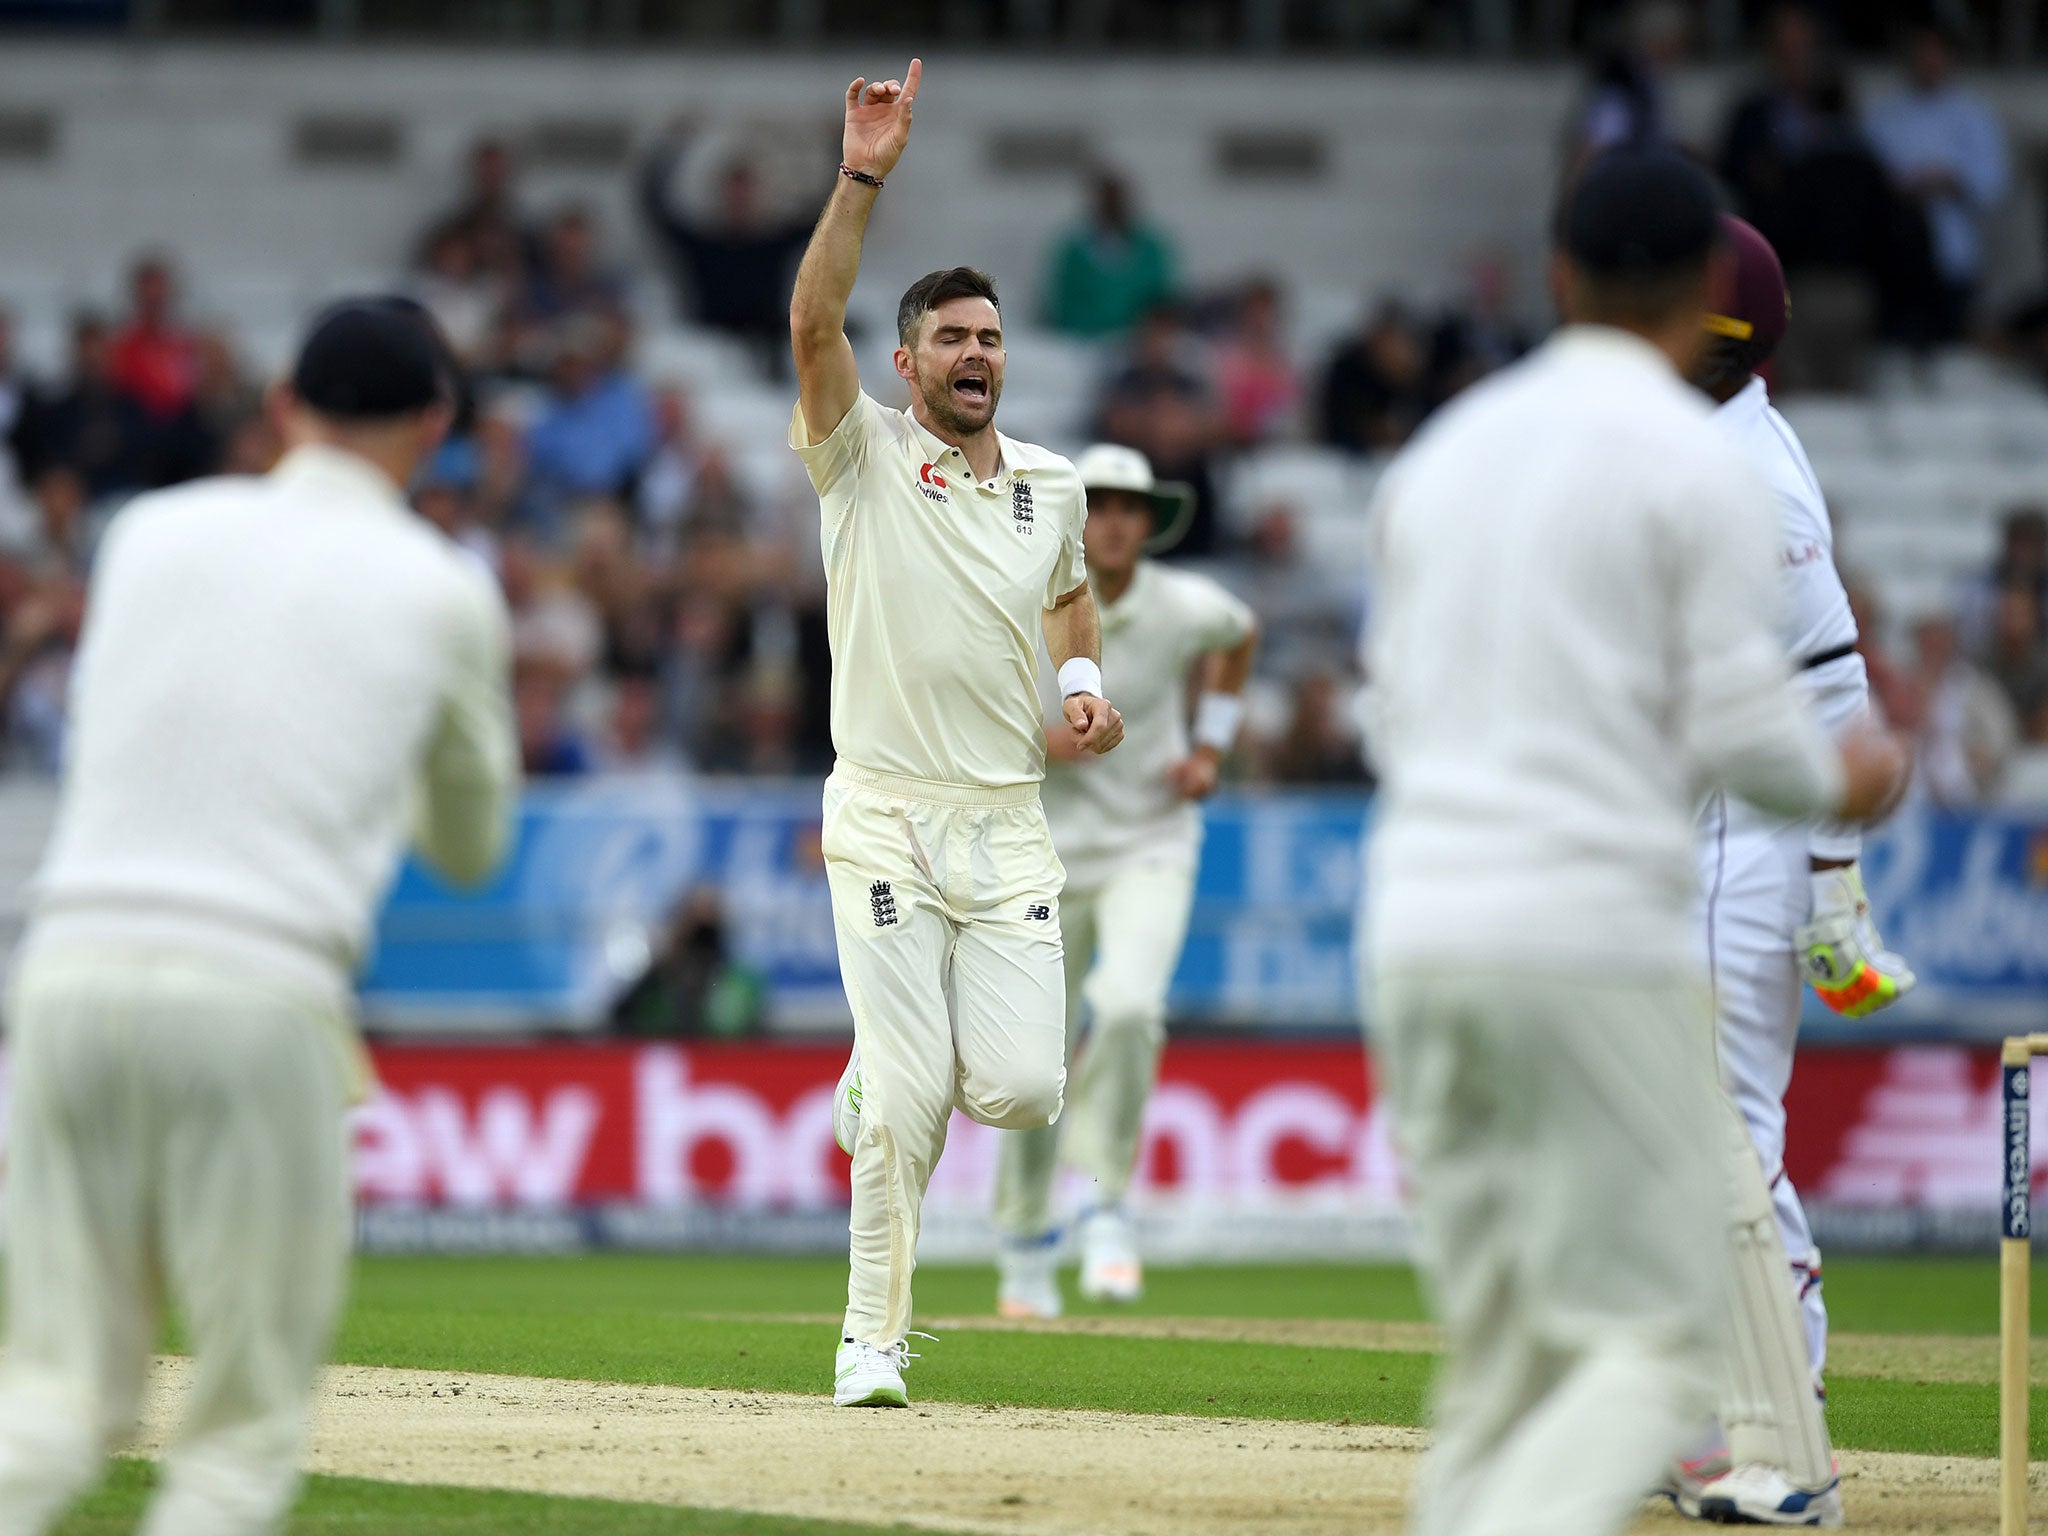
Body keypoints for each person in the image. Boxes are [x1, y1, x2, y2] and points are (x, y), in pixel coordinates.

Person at [1360, 151, 1908, 1536]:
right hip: (1592, 917)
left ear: (1560, 277)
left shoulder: (1448, 445)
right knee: (1664, 1300)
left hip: (1415, 922)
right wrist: (1851, 787)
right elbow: (1755, 736)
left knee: (1506, 1357)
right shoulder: (1702, 466)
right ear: (1695, 299)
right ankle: (1775, 1462)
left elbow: (1389, 703)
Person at [0, 298, 519, 1536]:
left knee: (52, 1398)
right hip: (259, 991)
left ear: (285, 403)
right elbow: (470, 846)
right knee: (235, 1444)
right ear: (435, 426)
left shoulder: (145, 531)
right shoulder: (443, 590)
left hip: (64, 971)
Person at [787, 59, 1123, 1410]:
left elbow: (1070, 591)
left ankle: (875, 1065)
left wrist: (1083, 679)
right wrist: (864, 172)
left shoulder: (1052, 482)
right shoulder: (859, 453)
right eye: (951, 341)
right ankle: (871, 1340)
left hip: (1008, 824)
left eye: (991, 340)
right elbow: (814, 321)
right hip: (882, 809)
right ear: (908, 359)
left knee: (1029, 1091)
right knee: (916, 1106)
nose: (976, 356)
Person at [1664, 216, 1915, 1525]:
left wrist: (1833, 892)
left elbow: (1838, 691)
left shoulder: (1750, 472)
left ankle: (1787, 1436)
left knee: (1728, 1129)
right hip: (1692, 833)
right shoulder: (1700, 442)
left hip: (1744, 843)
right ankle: (1712, 1418)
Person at [991, 443, 1256, 1317]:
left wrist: (1210, 744)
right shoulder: (1033, 596)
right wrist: (1041, 740)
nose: (1112, 521)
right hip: (1044, 854)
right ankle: (1026, 1243)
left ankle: (1105, 1205)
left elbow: (1239, 635)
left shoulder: (1183, 606)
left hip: (1151, 842)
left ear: (1149, 522)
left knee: (1134, 1007)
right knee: (1037, 1062)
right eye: (1096, 504)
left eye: (1128, 508)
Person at [1863, 17, 2010, 343]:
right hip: (1895, 258)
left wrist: (1949, 181)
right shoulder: (1884, 117)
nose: (1927, 60)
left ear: (1950, 57)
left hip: (1953, 256)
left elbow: (1993, 188)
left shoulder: (1973, 117)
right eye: (1920, 51)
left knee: (1949, 352)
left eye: (1936, 52)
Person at [638, 118, 822, 369]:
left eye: (746, 190)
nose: (740, 199)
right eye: (734, 190)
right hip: (708, 349)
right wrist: (672, 146)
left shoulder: (774, 242)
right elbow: (655, 208)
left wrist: (840, 146)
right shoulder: (703, 244)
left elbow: (831, 214)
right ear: (722, 193)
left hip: (769, 349)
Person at [1041, 172, 1179, 339]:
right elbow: (1063, 303)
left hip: (1137, 344)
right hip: (1081, 343)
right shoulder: (1074, 254)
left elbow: (1161, 300)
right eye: (1106, 202)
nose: (1112, 209)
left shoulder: (1151, 251)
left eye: (1117, 202)